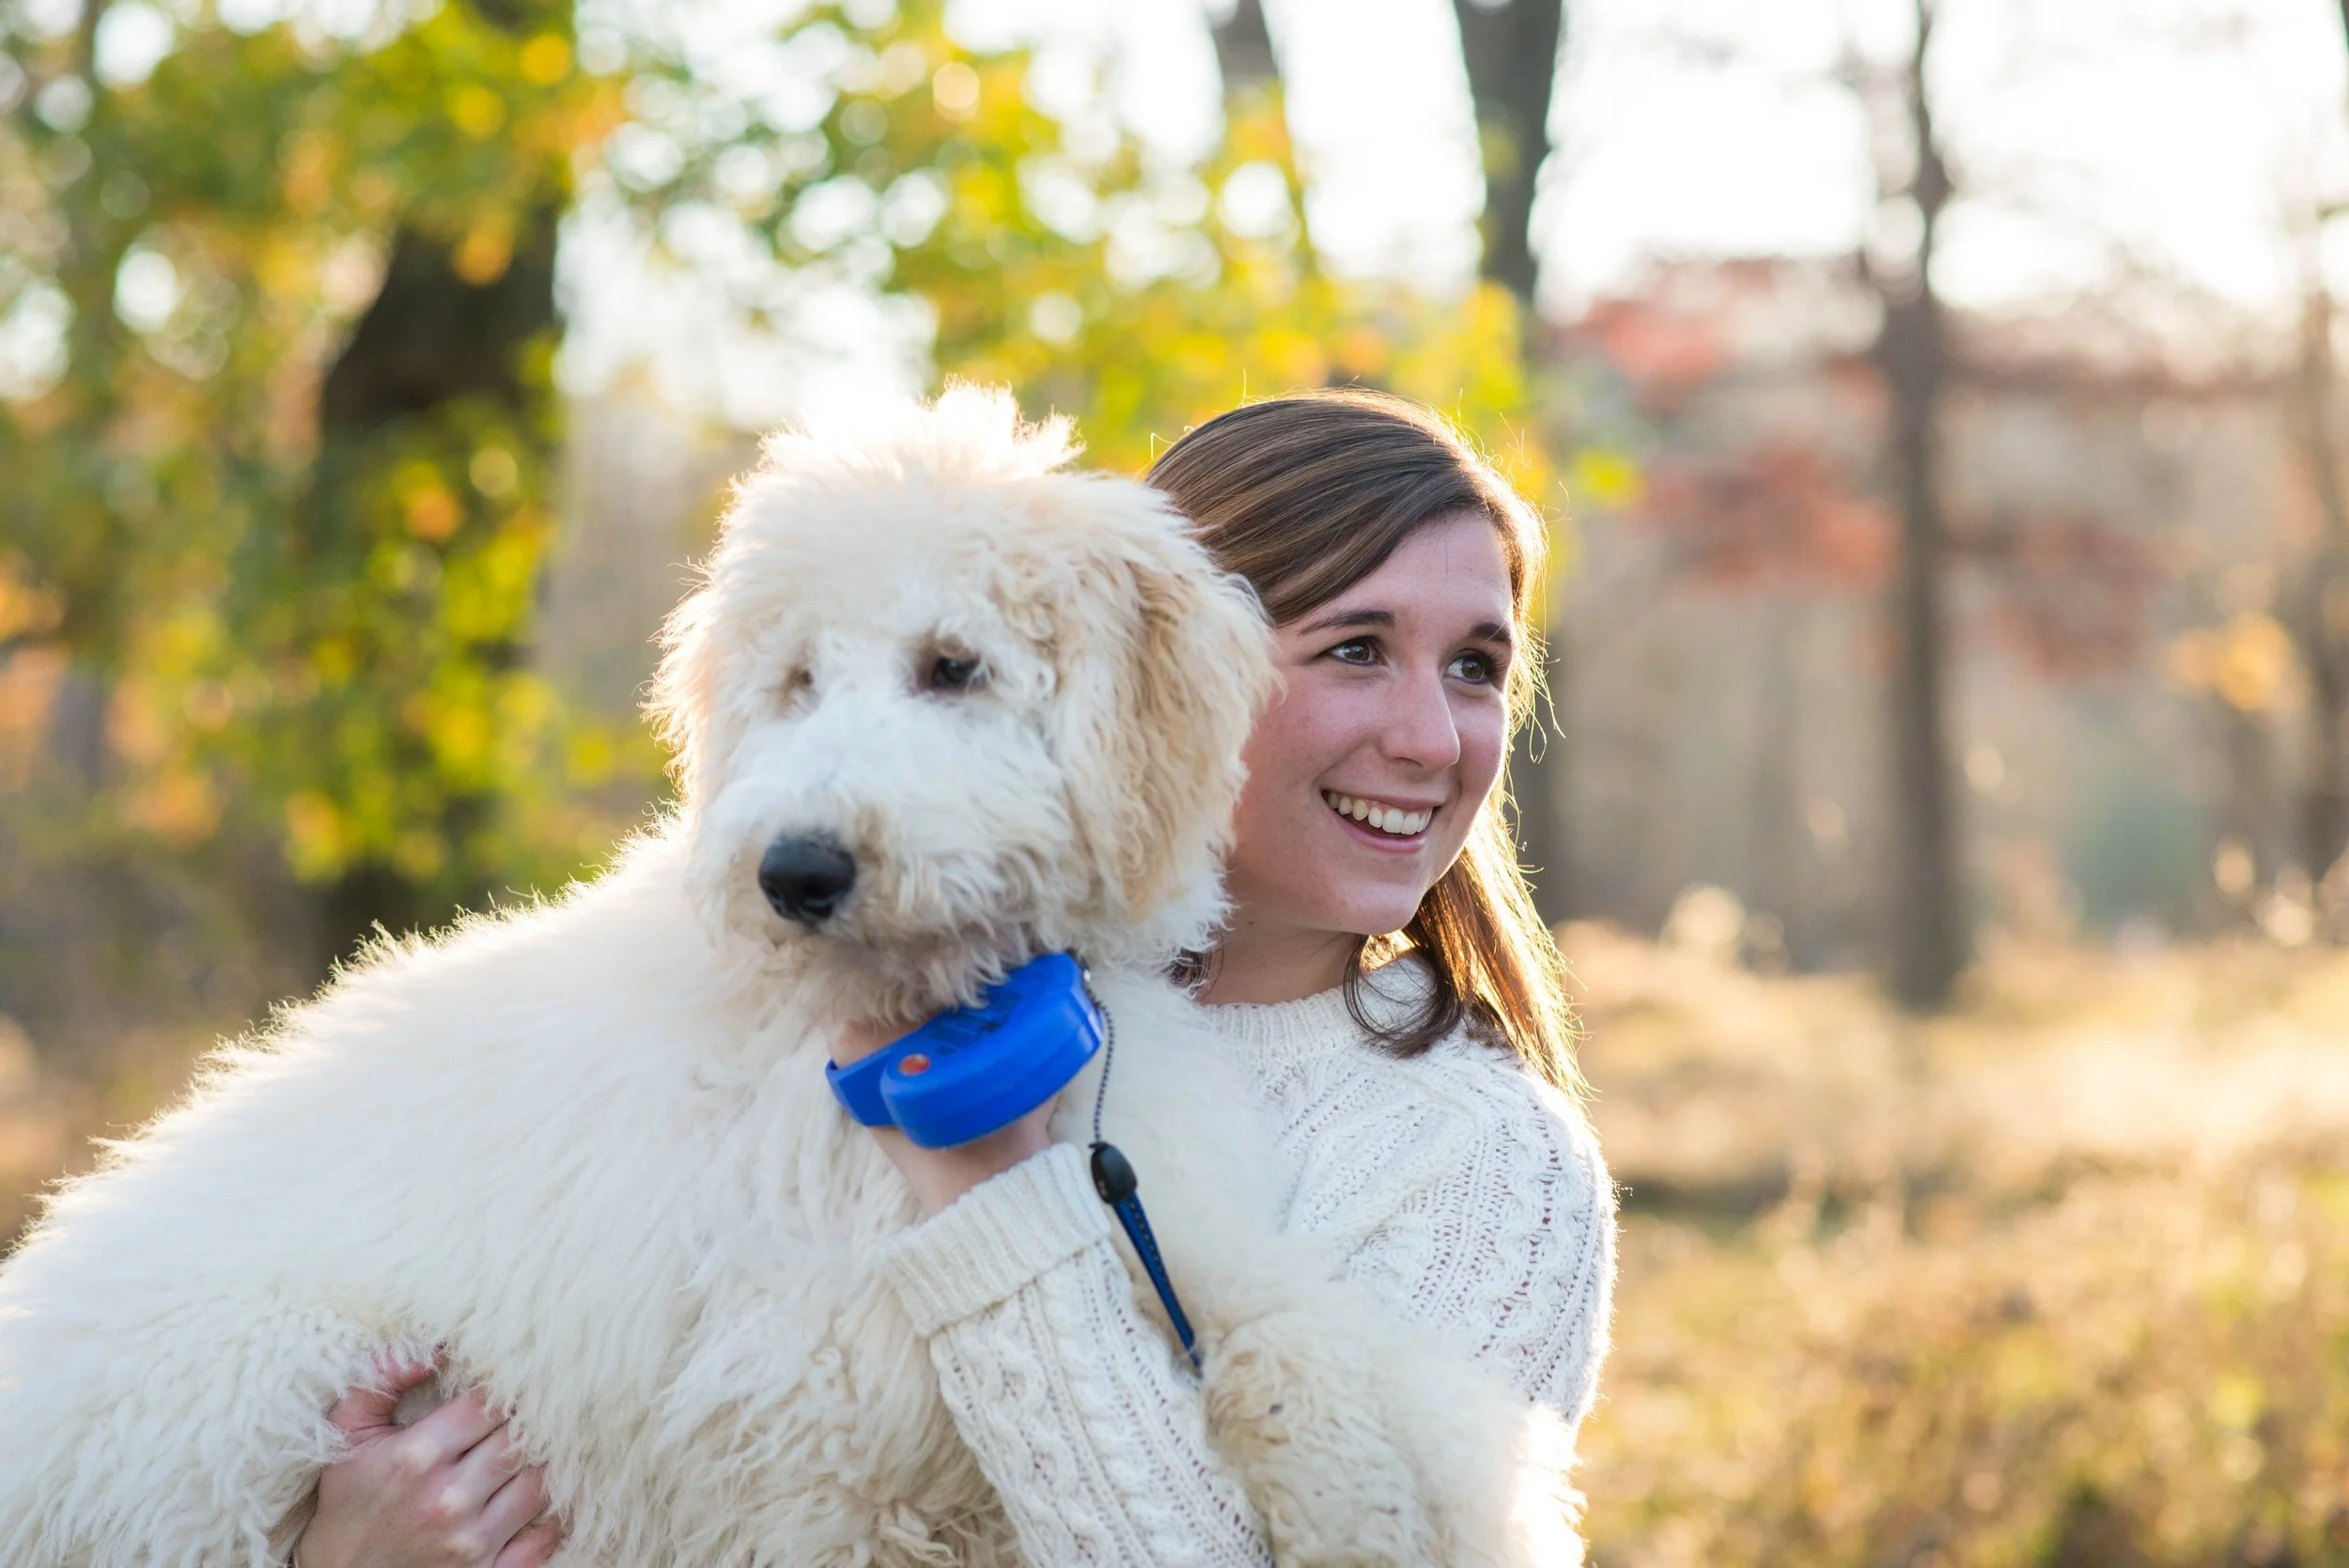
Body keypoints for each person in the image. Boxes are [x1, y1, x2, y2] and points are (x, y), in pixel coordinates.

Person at [291, 388, 1618, 1568]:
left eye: (1477, 667)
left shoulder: (1480, 1161)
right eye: (1353, 649)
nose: (1429, 736)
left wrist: (992, 1199)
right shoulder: (774, 1016)